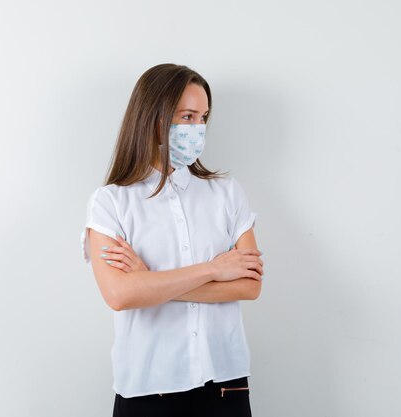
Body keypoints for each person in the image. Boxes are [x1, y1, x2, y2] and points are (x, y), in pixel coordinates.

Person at [80, 63, 264, 417]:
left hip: (225, 384)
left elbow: (249, 286)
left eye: (203, 118)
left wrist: (150, 282)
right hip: (149, 388)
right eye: (188, 116)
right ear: (154, 117)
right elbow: (120, 295)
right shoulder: (111, 202)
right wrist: (214, 269)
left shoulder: (226, 193)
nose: (197, 128)